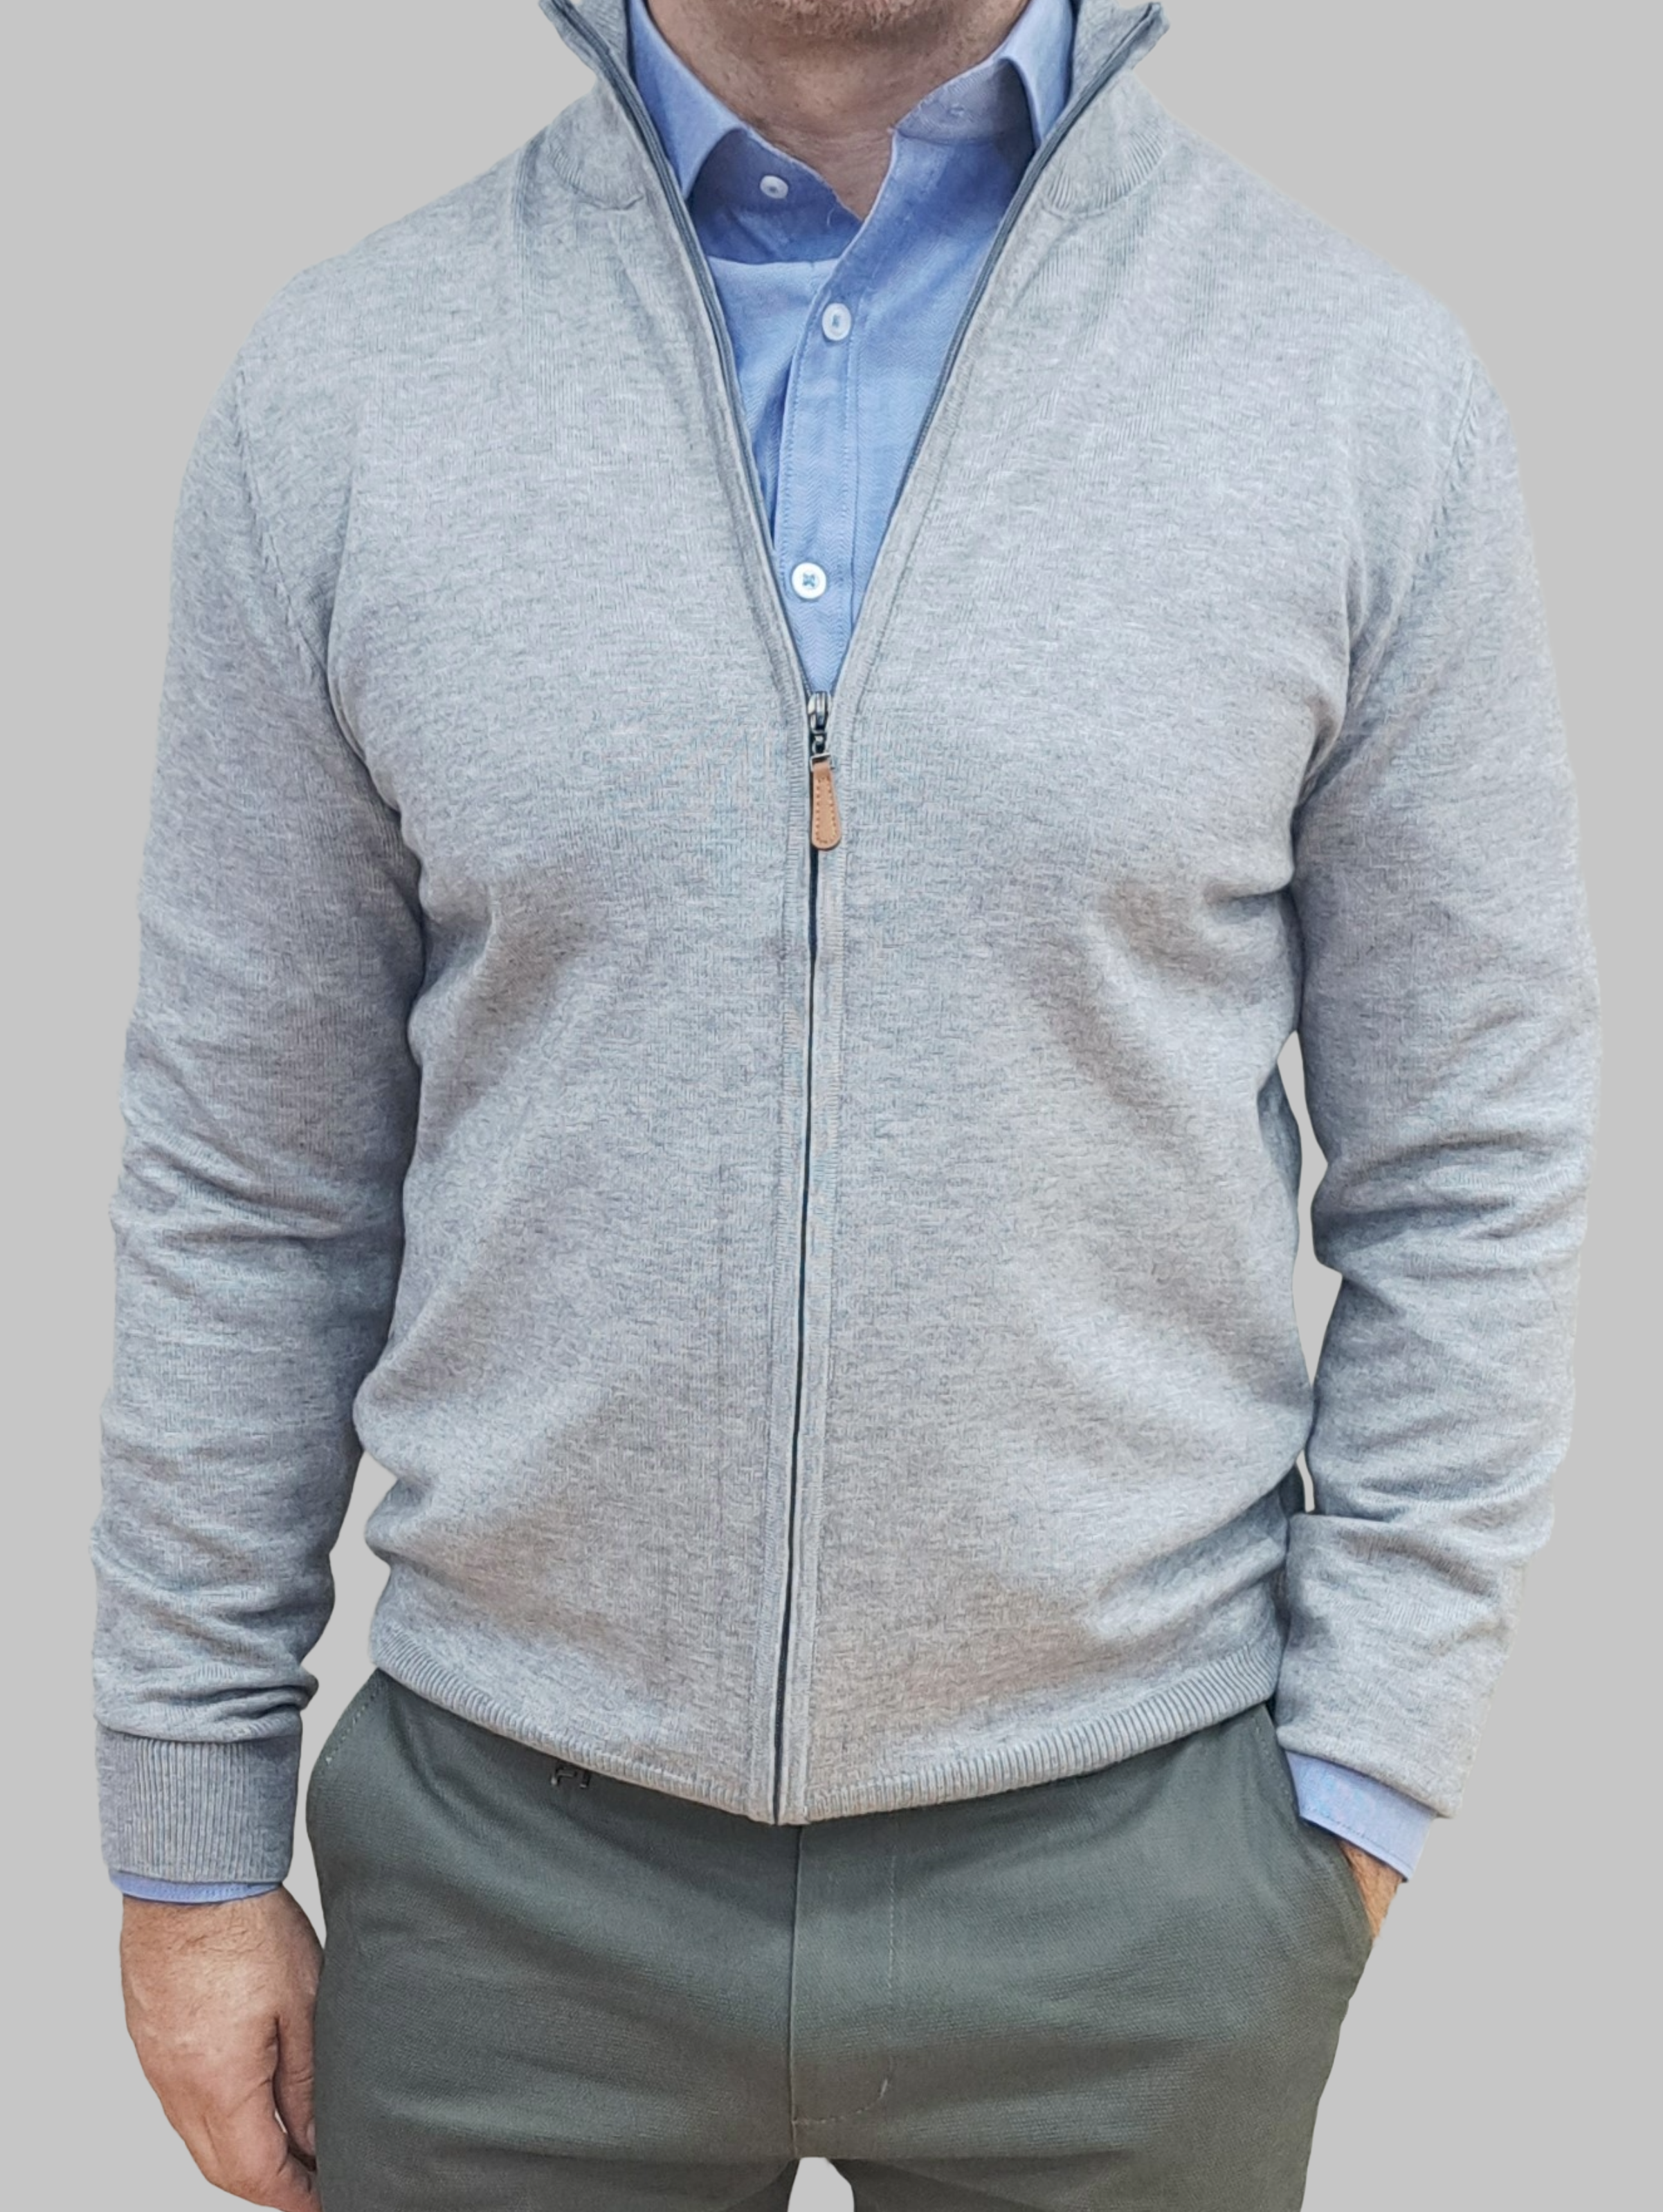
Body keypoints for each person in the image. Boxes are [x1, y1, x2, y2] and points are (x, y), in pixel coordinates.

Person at [94, 0, 1600, 2205]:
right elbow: (247, 1175)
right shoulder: (348, 391)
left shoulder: (1356, 389)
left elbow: (1477, 1154)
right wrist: (190, 1834)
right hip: (502, 1891)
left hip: (1137, 1886)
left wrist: (1358, 1783)